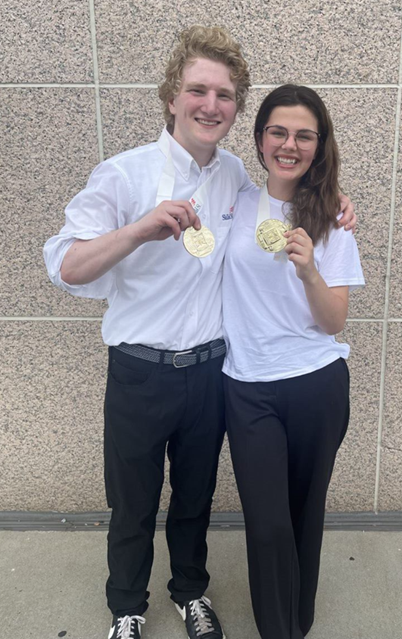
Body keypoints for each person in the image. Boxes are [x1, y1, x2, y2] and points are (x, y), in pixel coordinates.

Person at [43, 25, 356, 639]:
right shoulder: (123, 174)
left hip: (212, 371)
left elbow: (286, 191)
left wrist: (334, 195)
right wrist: (136, 230)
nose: (210, 105)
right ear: (172, 96)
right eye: (198, 90)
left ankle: (190, 594)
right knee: (132, 503)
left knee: (194, 498)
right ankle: (128, 609)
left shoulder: (236, 175)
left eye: (225, 95)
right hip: (139, 369)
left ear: (237, 108)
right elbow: (66, 265)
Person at [222, 84, 365, 639]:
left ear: (318, 145)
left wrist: (309, 269)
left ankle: (294, 627)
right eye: (278, 131)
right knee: (268, 525)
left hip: (315, 384)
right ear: (259, 140)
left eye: (304, 135)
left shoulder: (330, 218)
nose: (290, 144)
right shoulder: (233, 199)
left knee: (305, 516)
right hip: (247, 385)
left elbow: (334, 322)